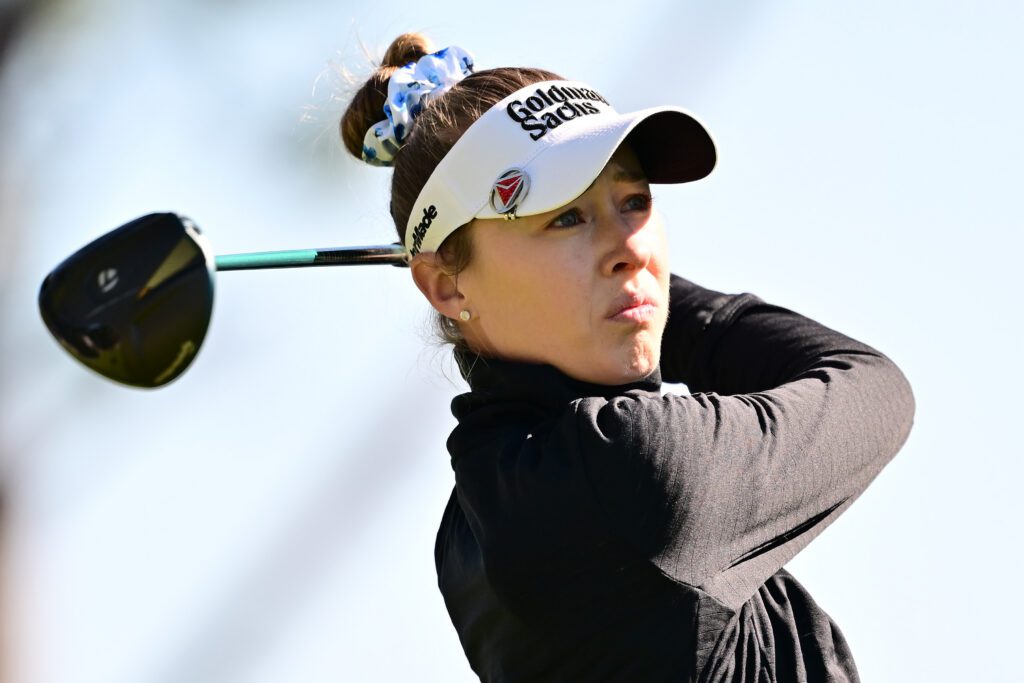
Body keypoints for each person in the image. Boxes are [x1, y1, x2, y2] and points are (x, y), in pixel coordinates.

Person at [340, 33, 915, 683]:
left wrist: (617, 286)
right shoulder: (626, 464)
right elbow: (871, 386)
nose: (631, 247)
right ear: (445, 286)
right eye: (564, 217)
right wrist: (647, 294)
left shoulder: (470, 520)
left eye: (633, 202)